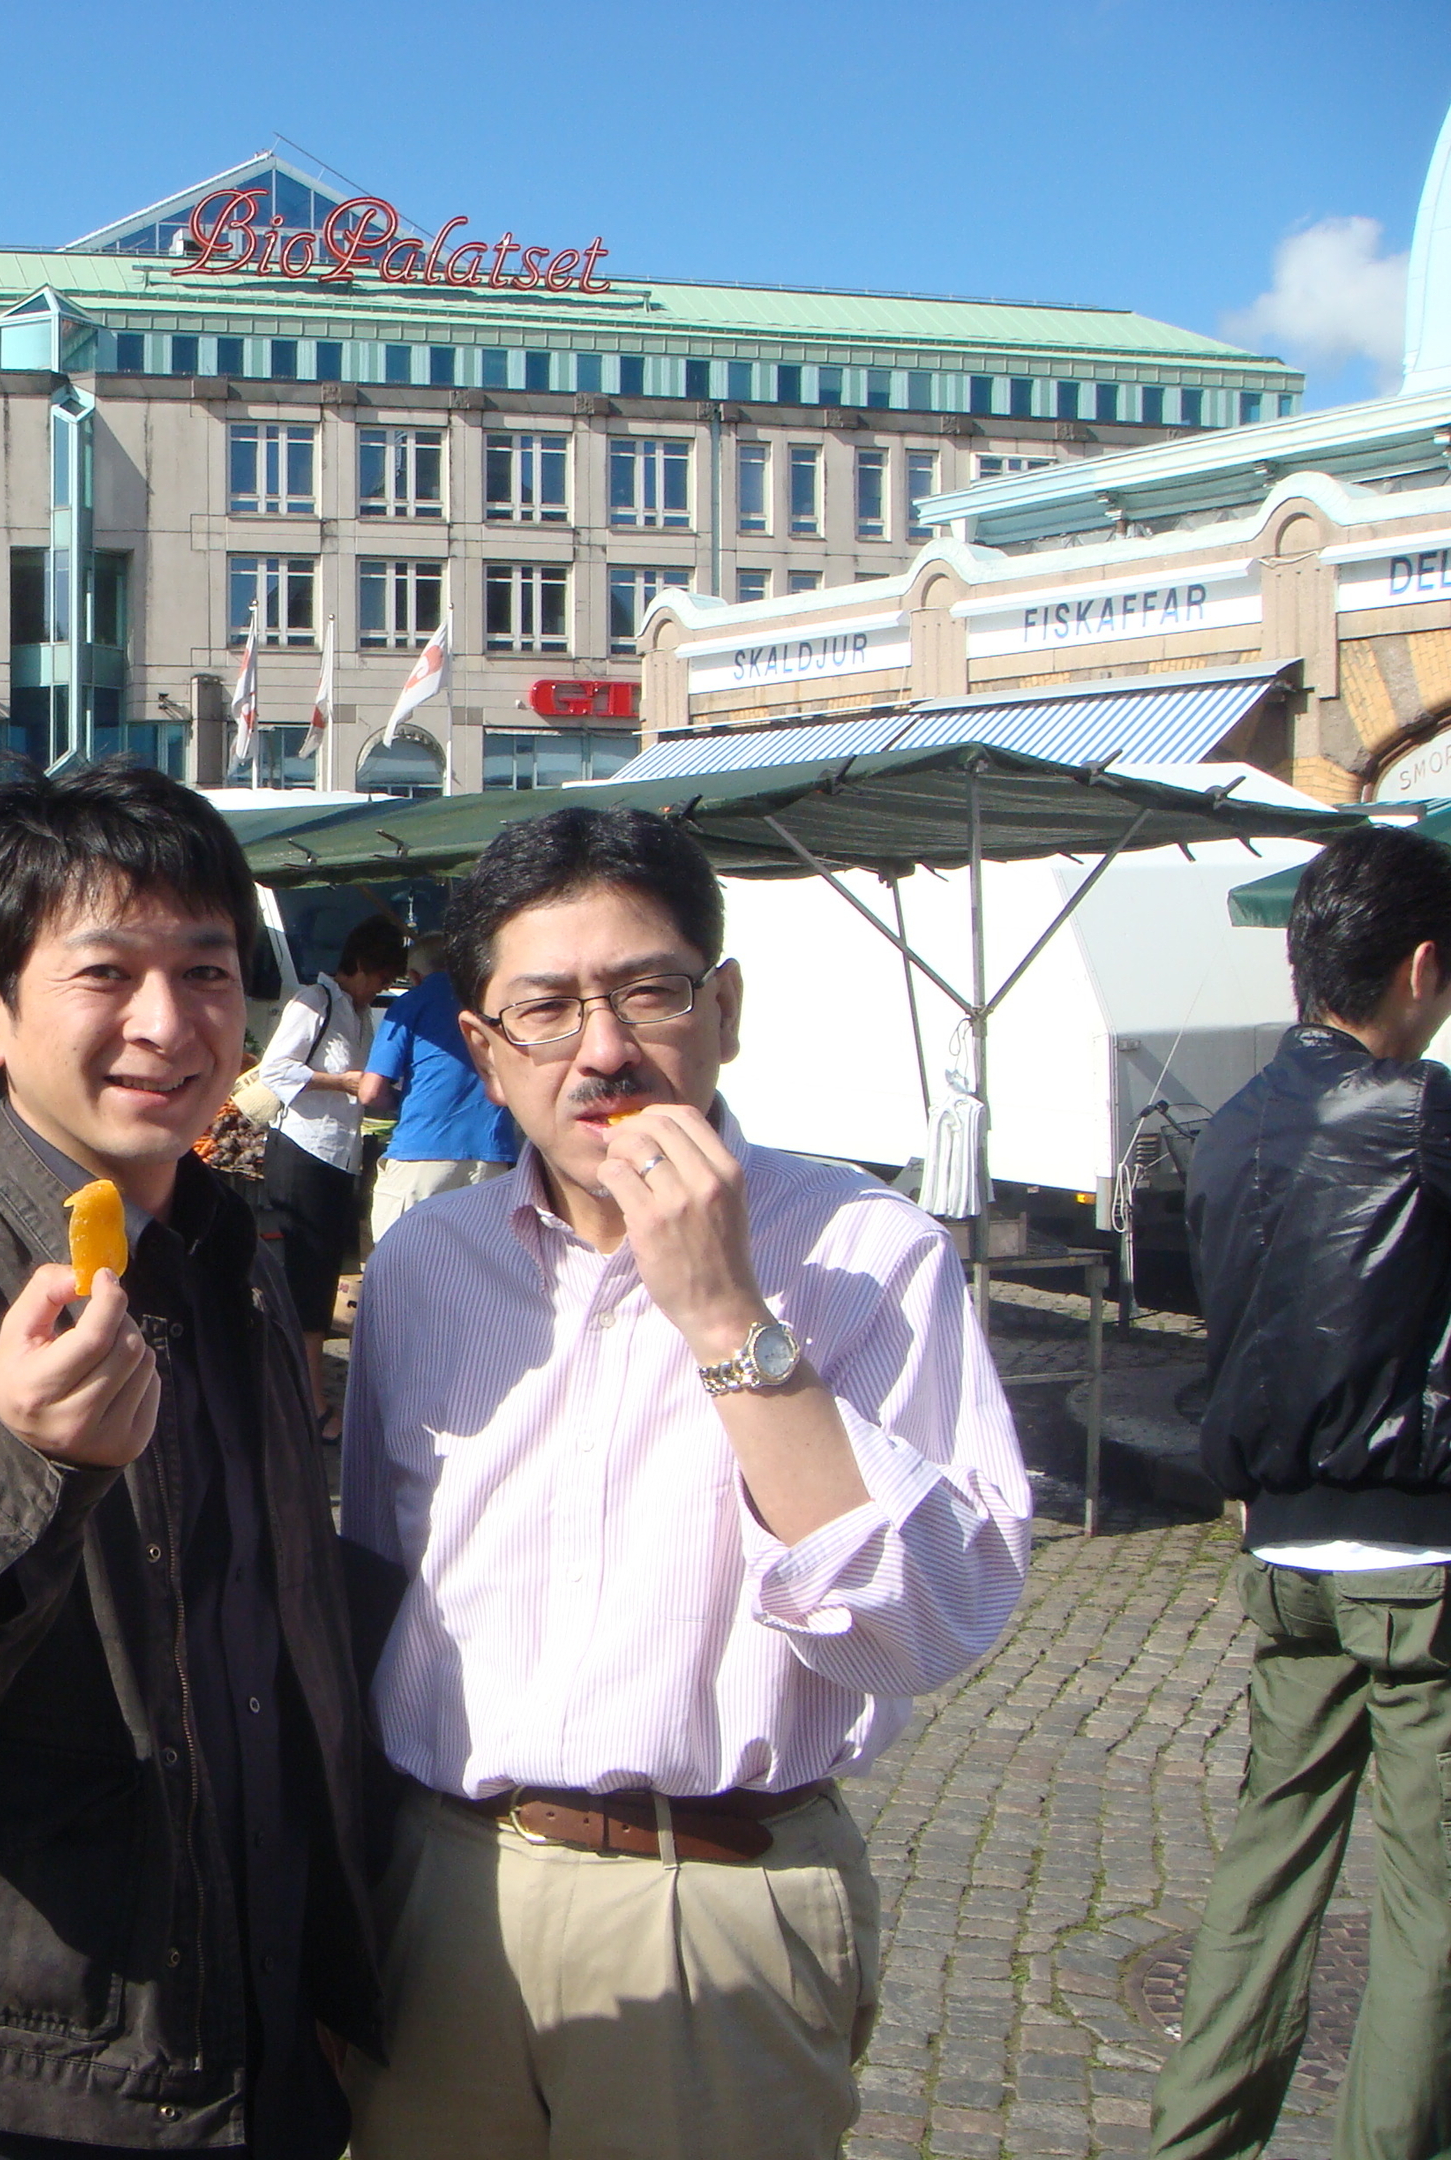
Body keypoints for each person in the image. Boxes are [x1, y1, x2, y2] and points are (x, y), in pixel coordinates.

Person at [338, 805, 1032, 2160]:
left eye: (646, 993)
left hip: (710, 1898)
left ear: (723, 1007)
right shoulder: (429, 1270)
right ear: (481, 1047)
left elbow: (926, 1625)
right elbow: (376, 1589)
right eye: (545, 1009)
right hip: (441, 1893)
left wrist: (727, 1318)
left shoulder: (867, 1254)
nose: (602, 1050)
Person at [0, 759, 382, 2160]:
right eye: (106, 973)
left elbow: (282, 1647)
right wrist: (26, 1458)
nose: (168, 1025)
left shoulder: (239, 1263)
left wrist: (330, 1968)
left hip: (252, 2047)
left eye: (209, 972)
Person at [1150, 823, 1451, 2160]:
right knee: (1433, 1906)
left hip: (1285, 1559)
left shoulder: (1231, 1127)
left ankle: (1194, 2143)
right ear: (1422, 969)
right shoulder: (1425, 1113)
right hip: (1422, 1556)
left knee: (1267, 1875)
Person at [253, 916, 404, 1431]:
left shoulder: (358, 1014)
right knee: (304, 1279)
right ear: (359, 964)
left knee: (320, 1277)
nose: (381, 987)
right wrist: (340, 1080)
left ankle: (303, 1395)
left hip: (338, 1154)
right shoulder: (314, 1002)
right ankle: (308, 1402)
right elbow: (276, 1068)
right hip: (303, 1151)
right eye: (380, 976)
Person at [361, 935, 519, 1244]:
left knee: (402, 1267)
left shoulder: (410, 1004)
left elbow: (370, 1091)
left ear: (415, 976)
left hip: (422, 1151)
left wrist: (400, 1101)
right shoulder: (490, 1003)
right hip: (492, 1155)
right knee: (478, 1274)